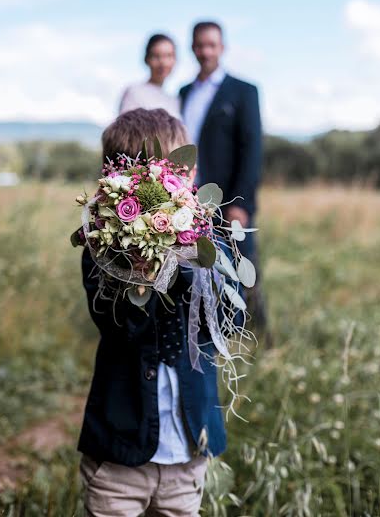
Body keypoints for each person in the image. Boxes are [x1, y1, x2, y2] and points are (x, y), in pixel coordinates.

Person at [78, 108, 227, 517]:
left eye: (188, 171)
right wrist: (149, 262)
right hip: (120, 455)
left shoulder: (208, 239)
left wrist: (194, 252)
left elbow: (231, 316)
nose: (188, 177)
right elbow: (121, 324)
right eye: (176, 170)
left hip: (186, 452)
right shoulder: (102, 249)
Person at [179, 21, 269, 339]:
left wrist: (241, 203)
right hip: (189, 200)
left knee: (242, 265)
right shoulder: (184, 92)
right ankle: (206, 330)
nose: (205, 51)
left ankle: (251, 334)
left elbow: (252, 151)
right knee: (199, 267)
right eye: (200, 45)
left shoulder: (244, 91)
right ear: (192, 48)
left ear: (222, 47)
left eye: (211, 45)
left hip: (230, 200)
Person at [119, 34, 180, 118]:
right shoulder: (134, 93)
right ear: (147, 59)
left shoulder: (174, 101)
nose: (163, 62)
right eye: (156, 56)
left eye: (168, 56)